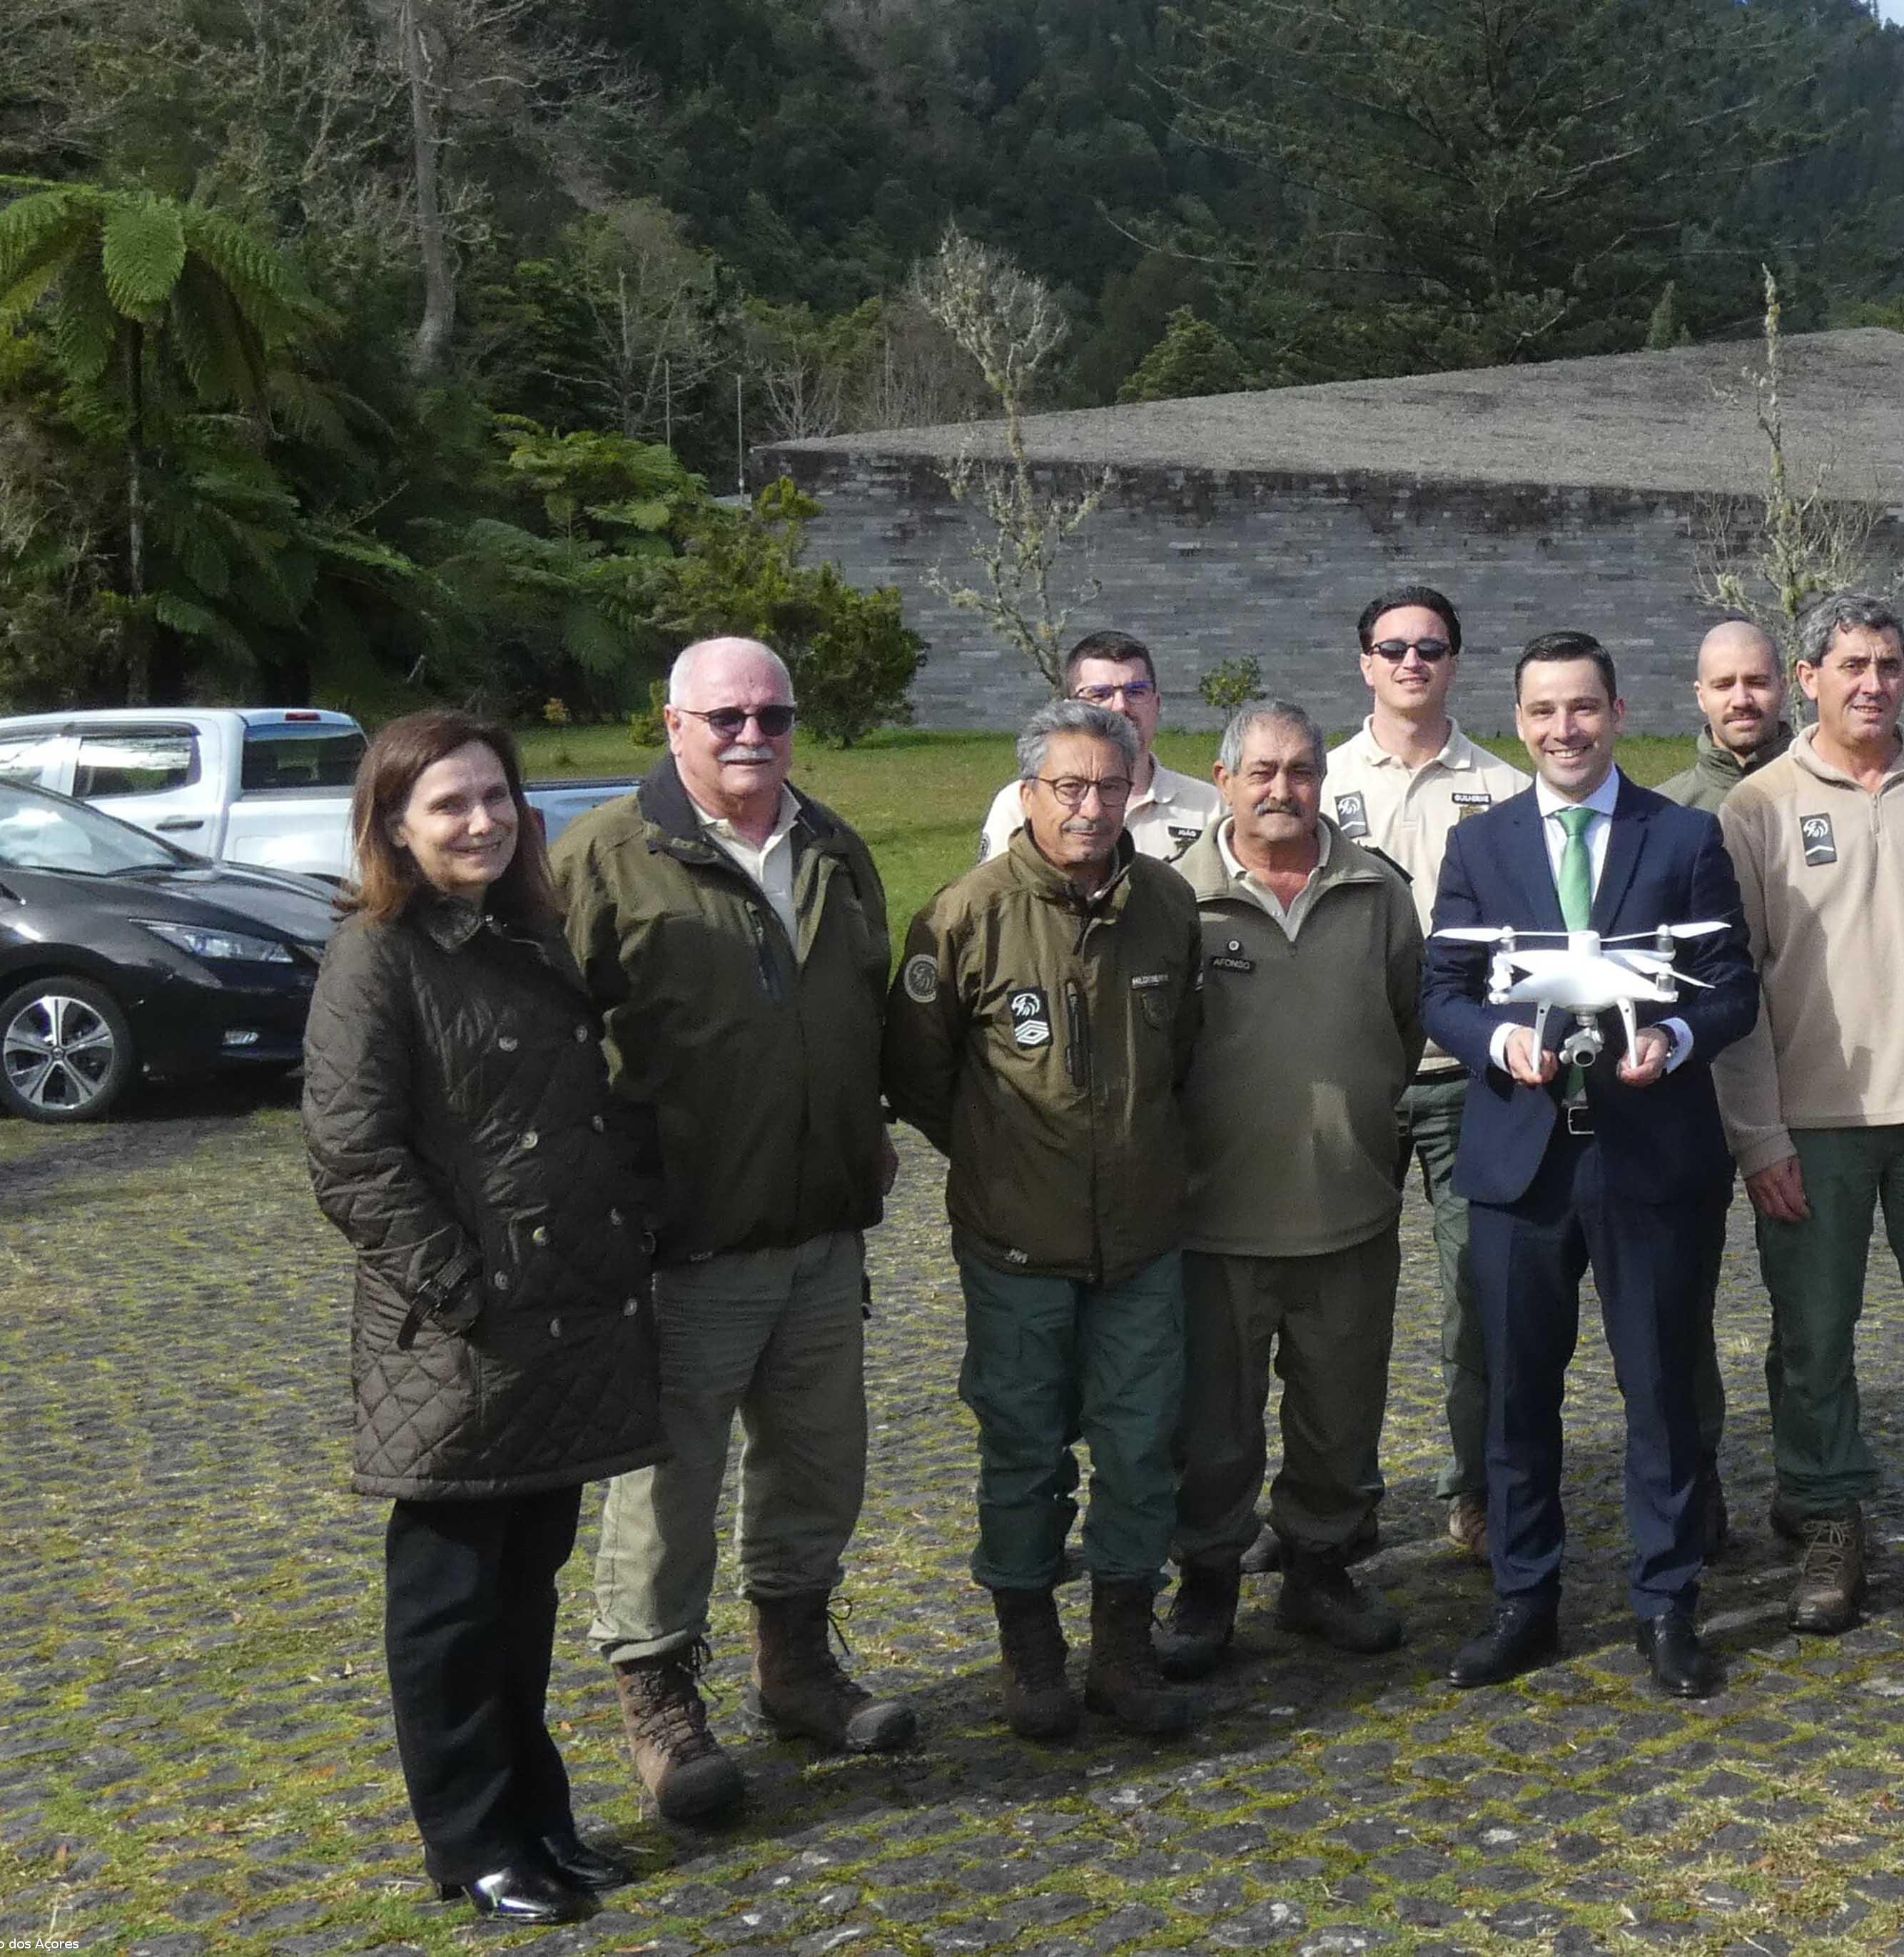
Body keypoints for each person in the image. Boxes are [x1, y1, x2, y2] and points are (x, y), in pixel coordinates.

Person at [305, 711, 666, 1926]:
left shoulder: (532, 932)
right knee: (452, 1608)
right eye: (449, 804)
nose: (480, 820)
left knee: (525, 1595)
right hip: (457, 1340)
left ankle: (538, 1815)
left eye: (496, 798)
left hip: (562, 1329)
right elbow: (353, 1157)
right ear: (395, 827)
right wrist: (461, 1287)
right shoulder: (378, 954)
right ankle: (470, 1839)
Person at [553, 637, 913, 1825]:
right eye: (724, 716)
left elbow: (865, 1010)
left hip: (819, 1234)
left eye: (771, 712)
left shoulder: (833, 846)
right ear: (671, 724)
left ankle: (795, 1666)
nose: (750, 732)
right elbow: (547, 1054)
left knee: (818, 1464)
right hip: (684, 1243)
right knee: (669, 1488)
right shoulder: (604, 861)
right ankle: (658, 1702)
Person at [1423, 632, 1758, 1697]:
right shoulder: (1482, 848)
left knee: (1659, 1388)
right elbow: (1440, 990)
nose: (1563, 730)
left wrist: (1680, 1040)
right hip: (1519, 1158)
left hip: (1650, 1154)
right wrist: (1494, 1043)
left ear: (1617, 710)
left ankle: (1666, 1603)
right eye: (1541, 712)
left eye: (1582, 708)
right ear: (1519, 721)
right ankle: (1525, 1596)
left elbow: (1730, 985)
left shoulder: (1685, 836)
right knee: (1518, 1390)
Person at [884, 700, 1205, 1740]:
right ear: (1027, 795)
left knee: (1140, 1443)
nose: (1090, 806)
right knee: (1023, 1450)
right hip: (1017, 1242)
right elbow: (920, 1077)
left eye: (1110, 786)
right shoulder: (963, 915)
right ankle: (1030, 1650)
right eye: (1068, 786)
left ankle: (1122, 1644)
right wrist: (1006, 1158)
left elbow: (1182, 1057)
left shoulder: (1165, 903)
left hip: (1143, 1239)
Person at [1713, 591, 1904, 1643]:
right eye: (1849, 664)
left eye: (1888, 663)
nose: (1871, 682)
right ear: (1809, 678)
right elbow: (1737, 986)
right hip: (1813, 1126)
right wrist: (1757, 1134)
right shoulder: (1755, 806)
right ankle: (1828, 1521)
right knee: (1814, 1341)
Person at [1160, 699, 1424, 1678]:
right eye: (1261, 771)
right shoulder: (1170, 896)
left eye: (1301, 770)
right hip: (1214, 1219)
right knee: (1213, 1426)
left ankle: (1319, 1569)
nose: (1282, 790)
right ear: (1222, 779)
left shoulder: (1377, 892)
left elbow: (1403, 1028)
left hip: (1348, 1211)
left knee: (1337, 1417)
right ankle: (1208, 1583)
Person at [1321, 585, 1534, 1560]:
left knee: (1474, 1301)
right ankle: (1335, 1502)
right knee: (1334, 1312)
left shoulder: (1497, 786)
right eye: (1392, 646)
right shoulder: (1313, 784)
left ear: (1455, 661)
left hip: (1465, 1078)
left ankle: (1477, 1490)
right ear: (1363, 661)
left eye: (1431, 646)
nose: (1411, 661)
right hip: (1346, 1080)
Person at [976, 629, 1224, 865]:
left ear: (1157, 704)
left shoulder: (1210, 807)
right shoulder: (1024, 803)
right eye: (1100, 694)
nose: (1120, 706)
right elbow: (996, 896)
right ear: (1070, 708)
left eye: (1136, 691)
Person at [1651, 617, 1793, 812]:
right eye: (1723, 686)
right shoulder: (1662, 812)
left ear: (1783, 690)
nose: (1741, 700)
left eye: (1757, 682)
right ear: (1701, 697)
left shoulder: (1829, 797)